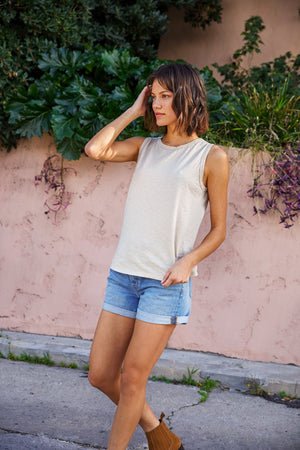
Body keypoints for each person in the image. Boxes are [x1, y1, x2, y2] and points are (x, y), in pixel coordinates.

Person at [85, 62, 229, 450]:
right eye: (154, 95)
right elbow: (95, 149)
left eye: (166, 96)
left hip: (164, 282)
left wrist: (189, 261)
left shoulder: (210, 157)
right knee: (100, 375)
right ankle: (158, 433)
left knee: (132, 377)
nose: (158, 103)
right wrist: (134, 111)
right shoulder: (144, 148)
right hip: (123, 277)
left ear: (187, 97)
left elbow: (219, 230)